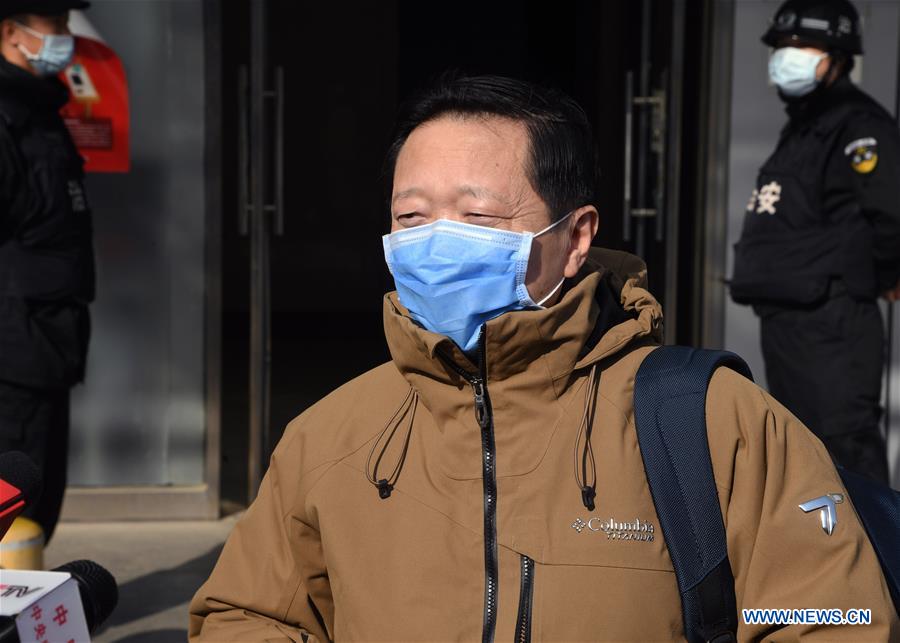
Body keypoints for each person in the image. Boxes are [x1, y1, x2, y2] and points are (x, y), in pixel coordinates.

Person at [190, 75, 897, 641]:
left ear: (576, 236)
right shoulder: (328, 438)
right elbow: (248, 613)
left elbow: (831, 617)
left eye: (477, 216)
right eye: (411, 217)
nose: (437, 242)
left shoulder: (713, 423)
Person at [730, 0, 900, 484]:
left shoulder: (859, 125)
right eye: (783, 45)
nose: (788, 54)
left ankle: (878, 539)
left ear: (837, 58)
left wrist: (881, 274)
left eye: (803, 45)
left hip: (833, 326)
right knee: (802, 461)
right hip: (793, 324)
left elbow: (890, 214)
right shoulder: (805, 126)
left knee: (847, 460)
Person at [0, 0, 93, 543]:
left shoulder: (40, 110)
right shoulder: (7, 115)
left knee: (38, 496)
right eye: (53, 24)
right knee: (15, 506)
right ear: (11, 33)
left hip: (49, 341)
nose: (65, 34)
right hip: (15, 349)